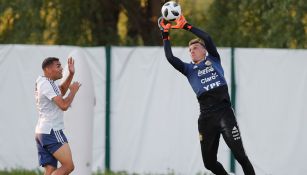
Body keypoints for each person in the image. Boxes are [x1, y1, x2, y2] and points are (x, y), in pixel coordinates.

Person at [158, 15, 256, 175]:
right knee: (209, 163)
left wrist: (186, 26)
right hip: (206, 117)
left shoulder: (214, 59)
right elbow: (170, 58)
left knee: (240, 156)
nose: (192, 51)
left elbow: (207, 37)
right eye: (190, 50)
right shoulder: (188, 69)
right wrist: (165, 34)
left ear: (204, 50)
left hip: (224, 113)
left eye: (195, 48)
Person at [34, 57, 81, 175]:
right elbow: (64, 105)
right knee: (68, 166)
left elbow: (61, 91)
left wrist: (71, 74)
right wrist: (73, 91)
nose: (61, 69)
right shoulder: (48, 84)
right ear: (48, 69)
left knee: (50, 170)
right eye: (58, 66)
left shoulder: (43, 81)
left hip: (42, 132)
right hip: (52, 131)